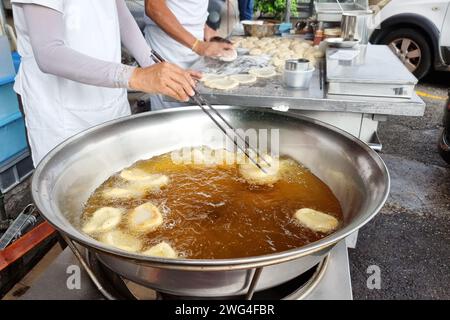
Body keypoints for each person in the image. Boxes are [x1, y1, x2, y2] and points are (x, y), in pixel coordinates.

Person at [11, 0, 200, 166]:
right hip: (63, 112)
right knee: (74, 193)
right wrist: (136, 76)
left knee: (121, 180)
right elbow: (48, 53)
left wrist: (157, 67)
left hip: (108, 98)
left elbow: (122, 19)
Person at [144, 0, 234, 110]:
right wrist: (197, 45)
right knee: (173, 110)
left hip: (195, 41)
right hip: (168, 46)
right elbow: (154, 7)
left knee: (194, 104)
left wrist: (205, 28)